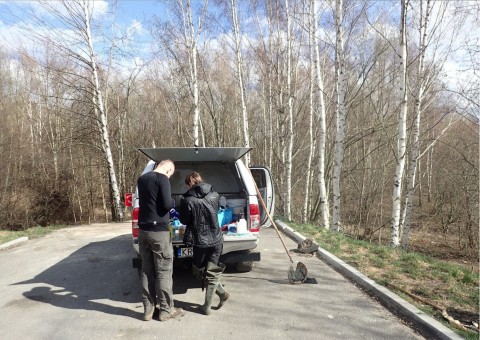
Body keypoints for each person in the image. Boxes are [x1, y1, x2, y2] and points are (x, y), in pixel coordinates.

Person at [137, 159, 184, 322]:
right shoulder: (162, 179)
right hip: (159, 232)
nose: (170, 177)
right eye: (171, 174)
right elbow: (166, 204)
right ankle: (165, 310)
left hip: (143, 230)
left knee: (146, 270)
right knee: (164, 271)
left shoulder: (142, 178)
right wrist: (173, 203)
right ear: (169, 169)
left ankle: (148, 311)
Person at [178, 172, 230, 315]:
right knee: (211, 272)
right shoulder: (215, 194)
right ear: (200, 180)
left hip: (199, 241)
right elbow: (223, 206)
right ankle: (221, 294)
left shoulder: (186, 200)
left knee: (200, 271)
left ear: (189, 183)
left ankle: (207, 306)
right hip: (216, 239)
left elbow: (184, 220)